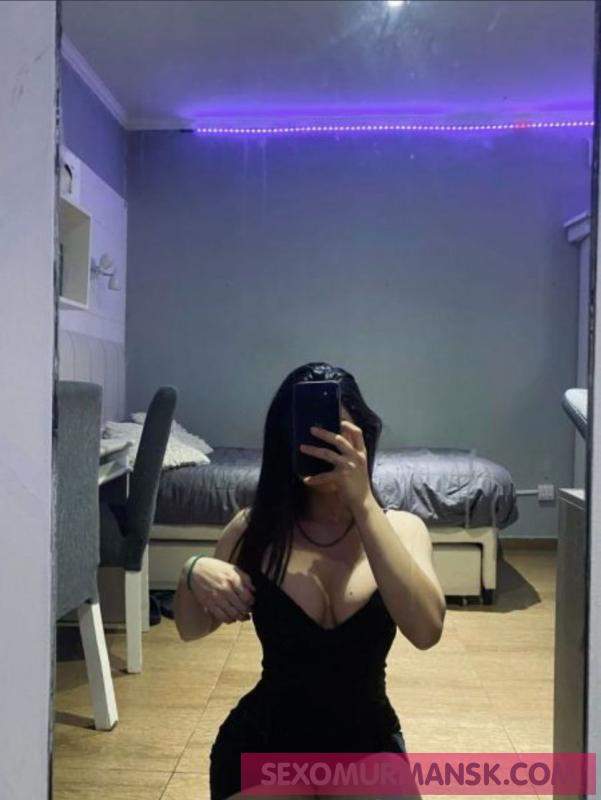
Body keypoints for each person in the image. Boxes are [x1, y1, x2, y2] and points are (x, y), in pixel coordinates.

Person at [173, 362, 446, 800]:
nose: (321, 445)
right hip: (264, 743)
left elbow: (426, 631)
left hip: (367, 743)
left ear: (363, 437)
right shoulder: (254, 531)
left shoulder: (405, 530)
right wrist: (192, 570)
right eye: (307, 432)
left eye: (335, 432)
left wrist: (363, 504)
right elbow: (191, 628)